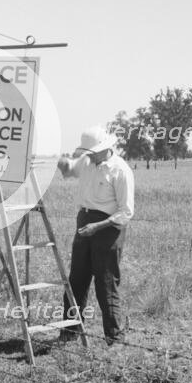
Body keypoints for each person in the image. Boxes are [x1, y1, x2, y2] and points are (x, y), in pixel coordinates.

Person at [57, 126, 134, 345]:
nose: (90, 155)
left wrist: (98, 226)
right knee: (77, 280)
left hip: (108, 229)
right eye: (88, 152)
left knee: (106, 283)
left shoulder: (121, 170)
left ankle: (114, 338)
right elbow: (70, 170)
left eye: (93, 151)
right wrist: (63, 164)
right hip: (84, 223)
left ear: (107, 147)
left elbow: (126, 212)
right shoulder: (88, 161)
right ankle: (69, 333)